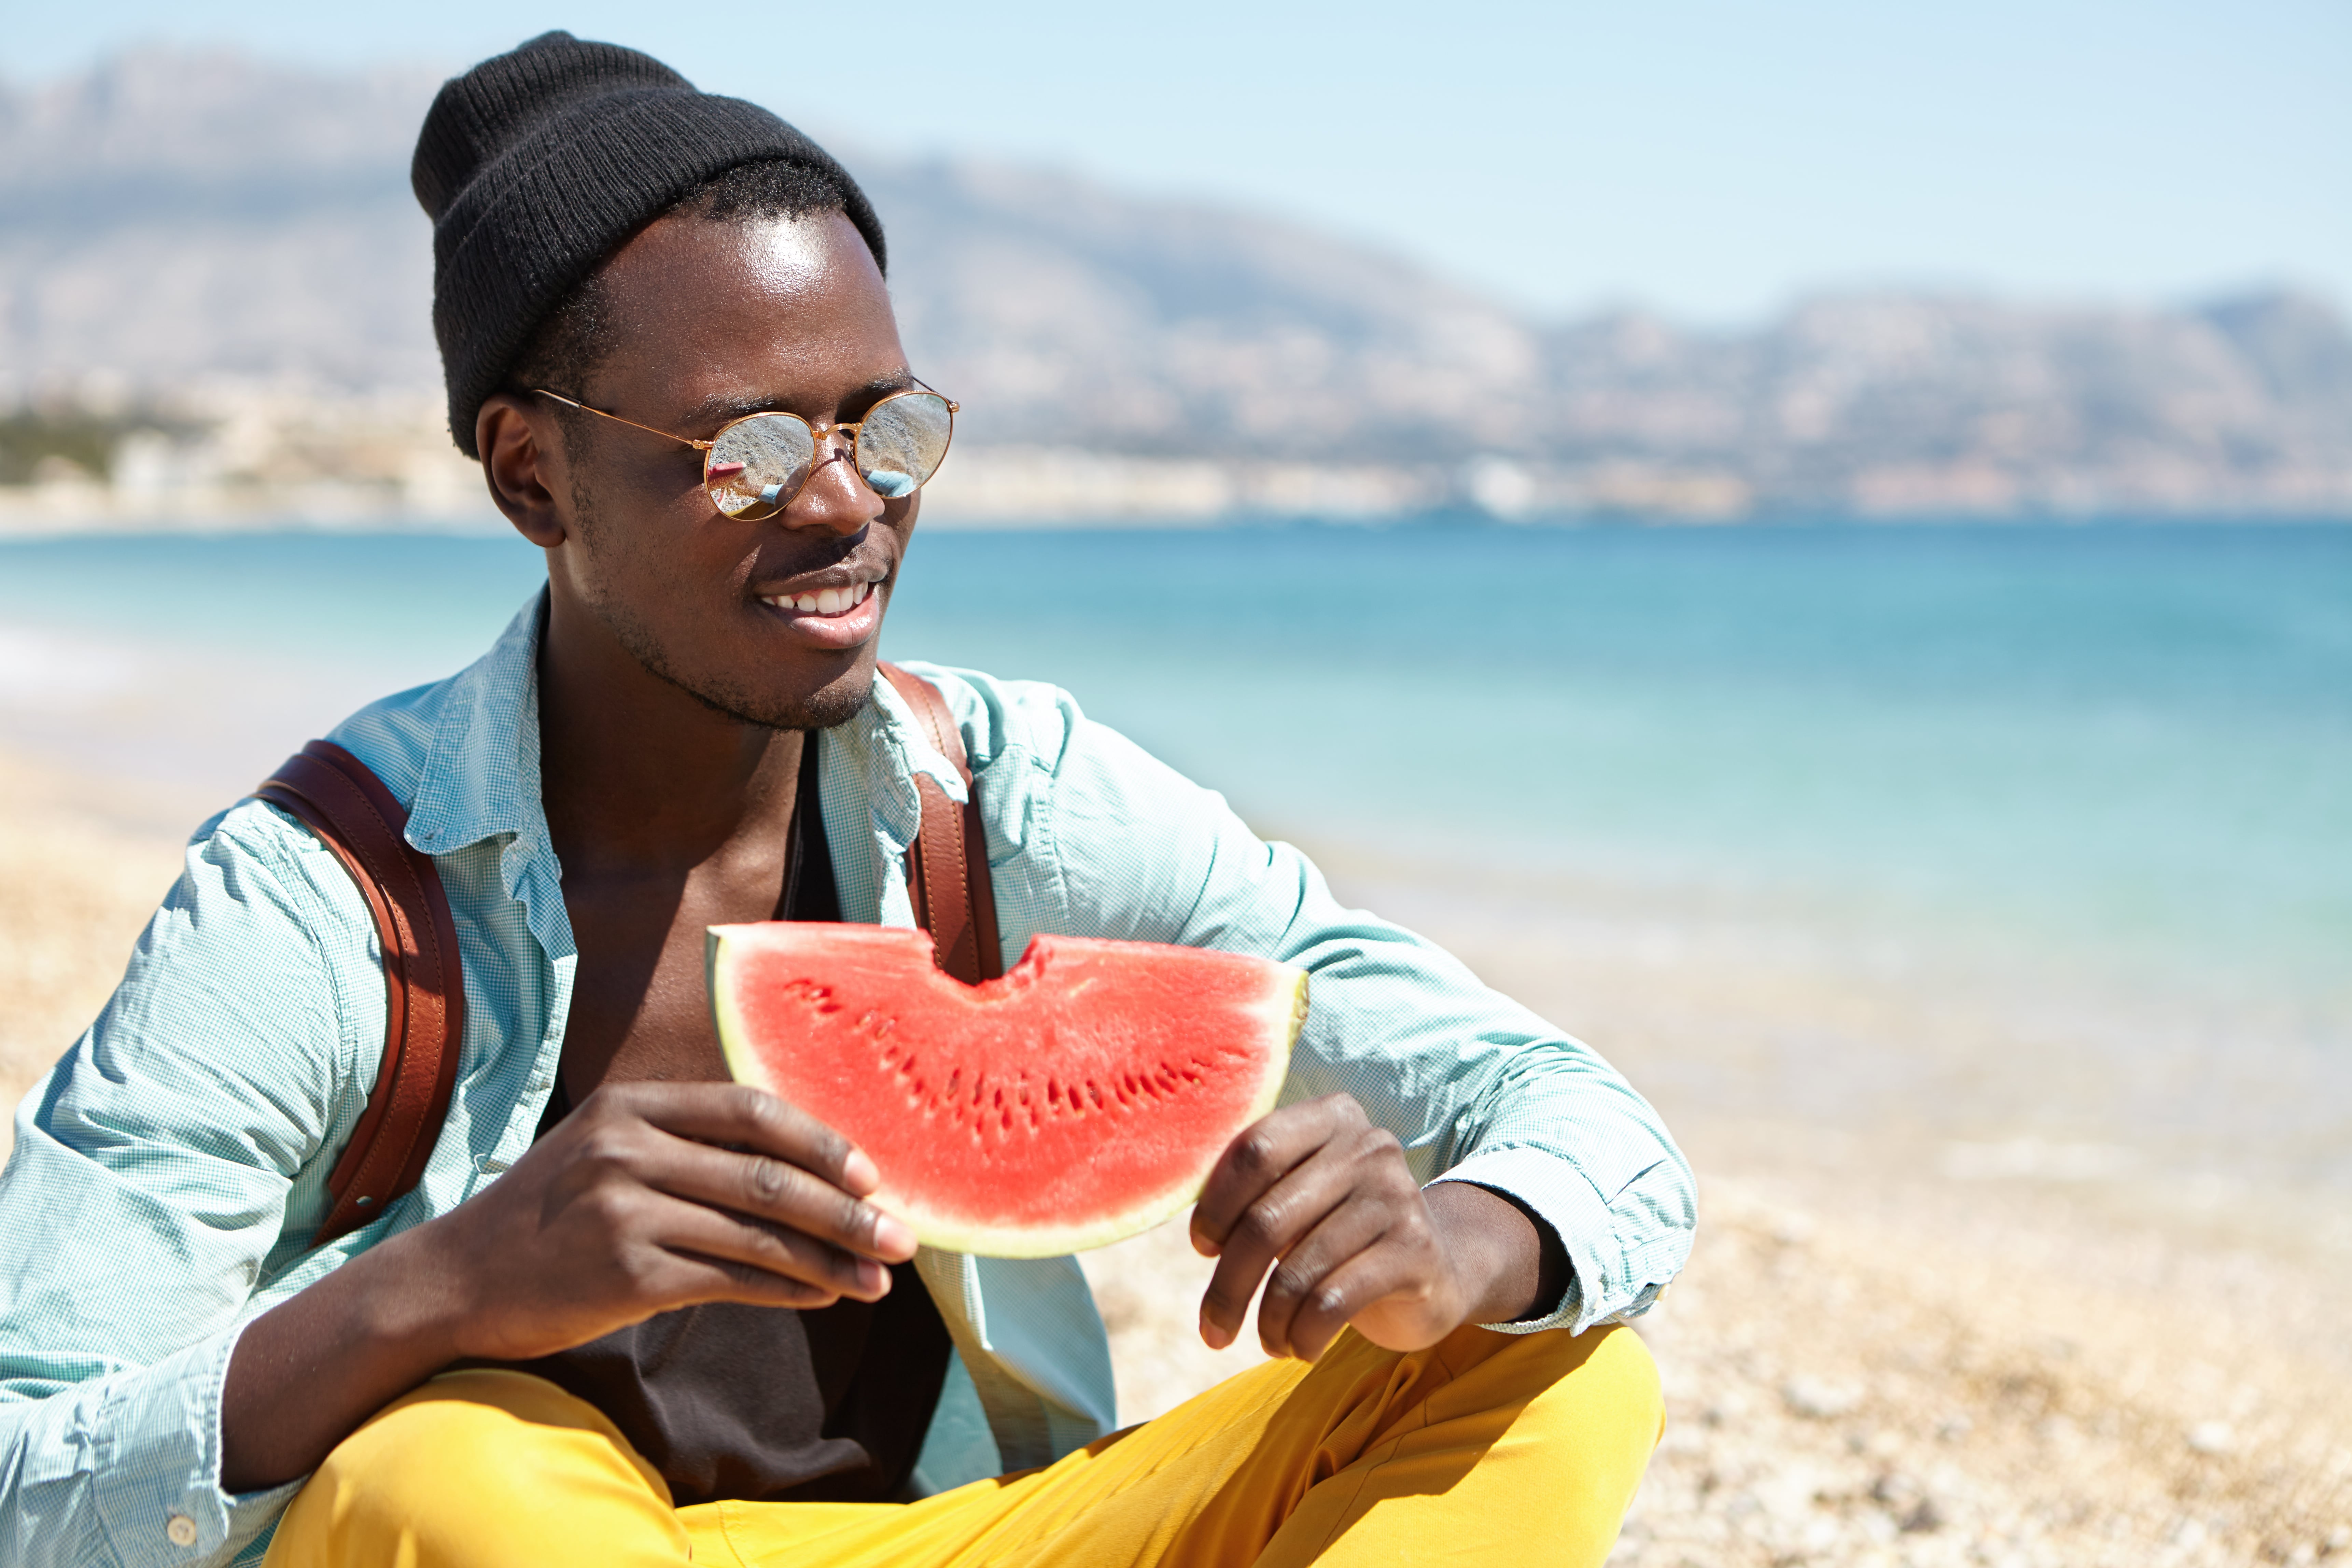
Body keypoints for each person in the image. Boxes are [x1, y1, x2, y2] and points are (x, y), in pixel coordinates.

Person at [0, 32, 1694, 1568]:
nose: (843, 506)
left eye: (882, 429)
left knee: (1557, 1372)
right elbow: (20, 1469)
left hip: (950, 1539)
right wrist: (445, 1286)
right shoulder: (326, 902)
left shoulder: (1001, 801)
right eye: (744, 449)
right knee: (447, 1468)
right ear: (535, 474)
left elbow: (1579, 1116)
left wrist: (1466, 1237)